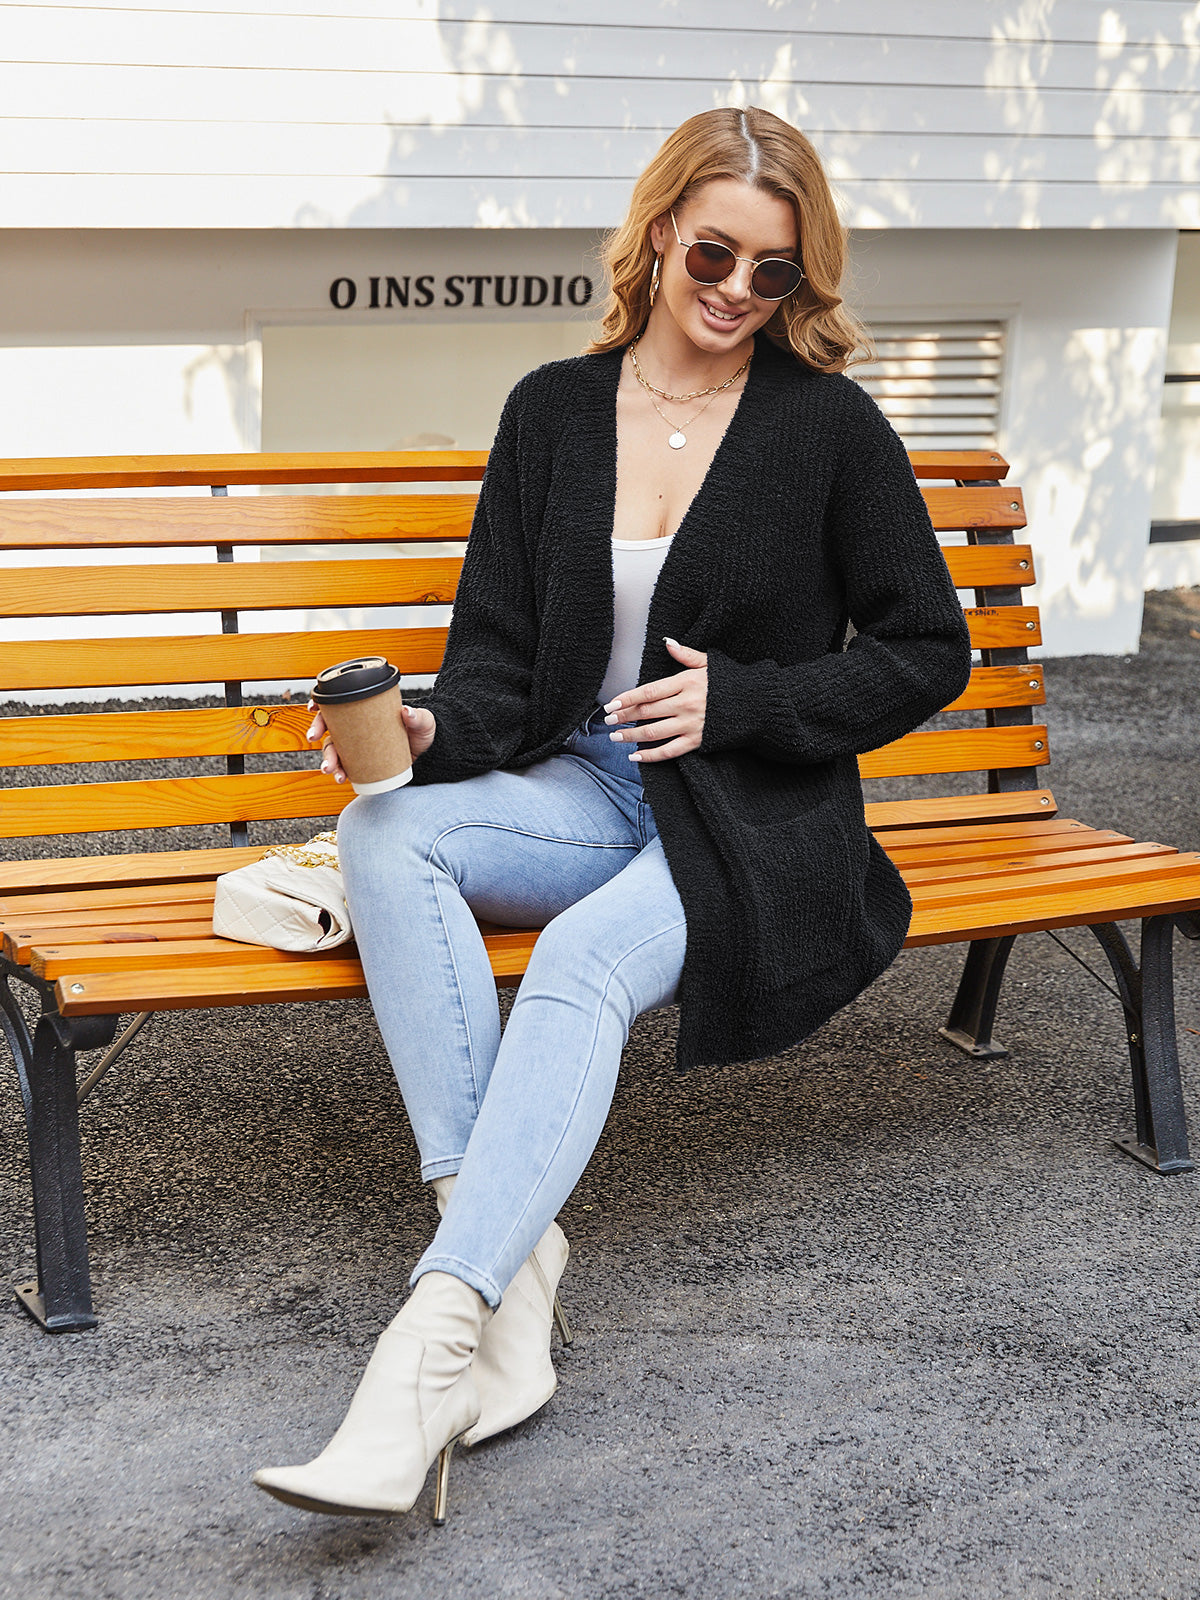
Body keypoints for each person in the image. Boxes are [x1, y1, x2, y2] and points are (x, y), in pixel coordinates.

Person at [253, 105, 972, 1522]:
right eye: (714, 253)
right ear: (657, 233)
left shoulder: (827, 426)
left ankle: (425, 1356)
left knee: (582, 960)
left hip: (755, 814)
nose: (738, 290)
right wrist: (429, 733)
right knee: (387, 831)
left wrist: (748, 702)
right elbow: (499, 661)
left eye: (774, 270)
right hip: (588, 785)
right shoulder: (554, 412)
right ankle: (511, 1267)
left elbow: (924, 648)